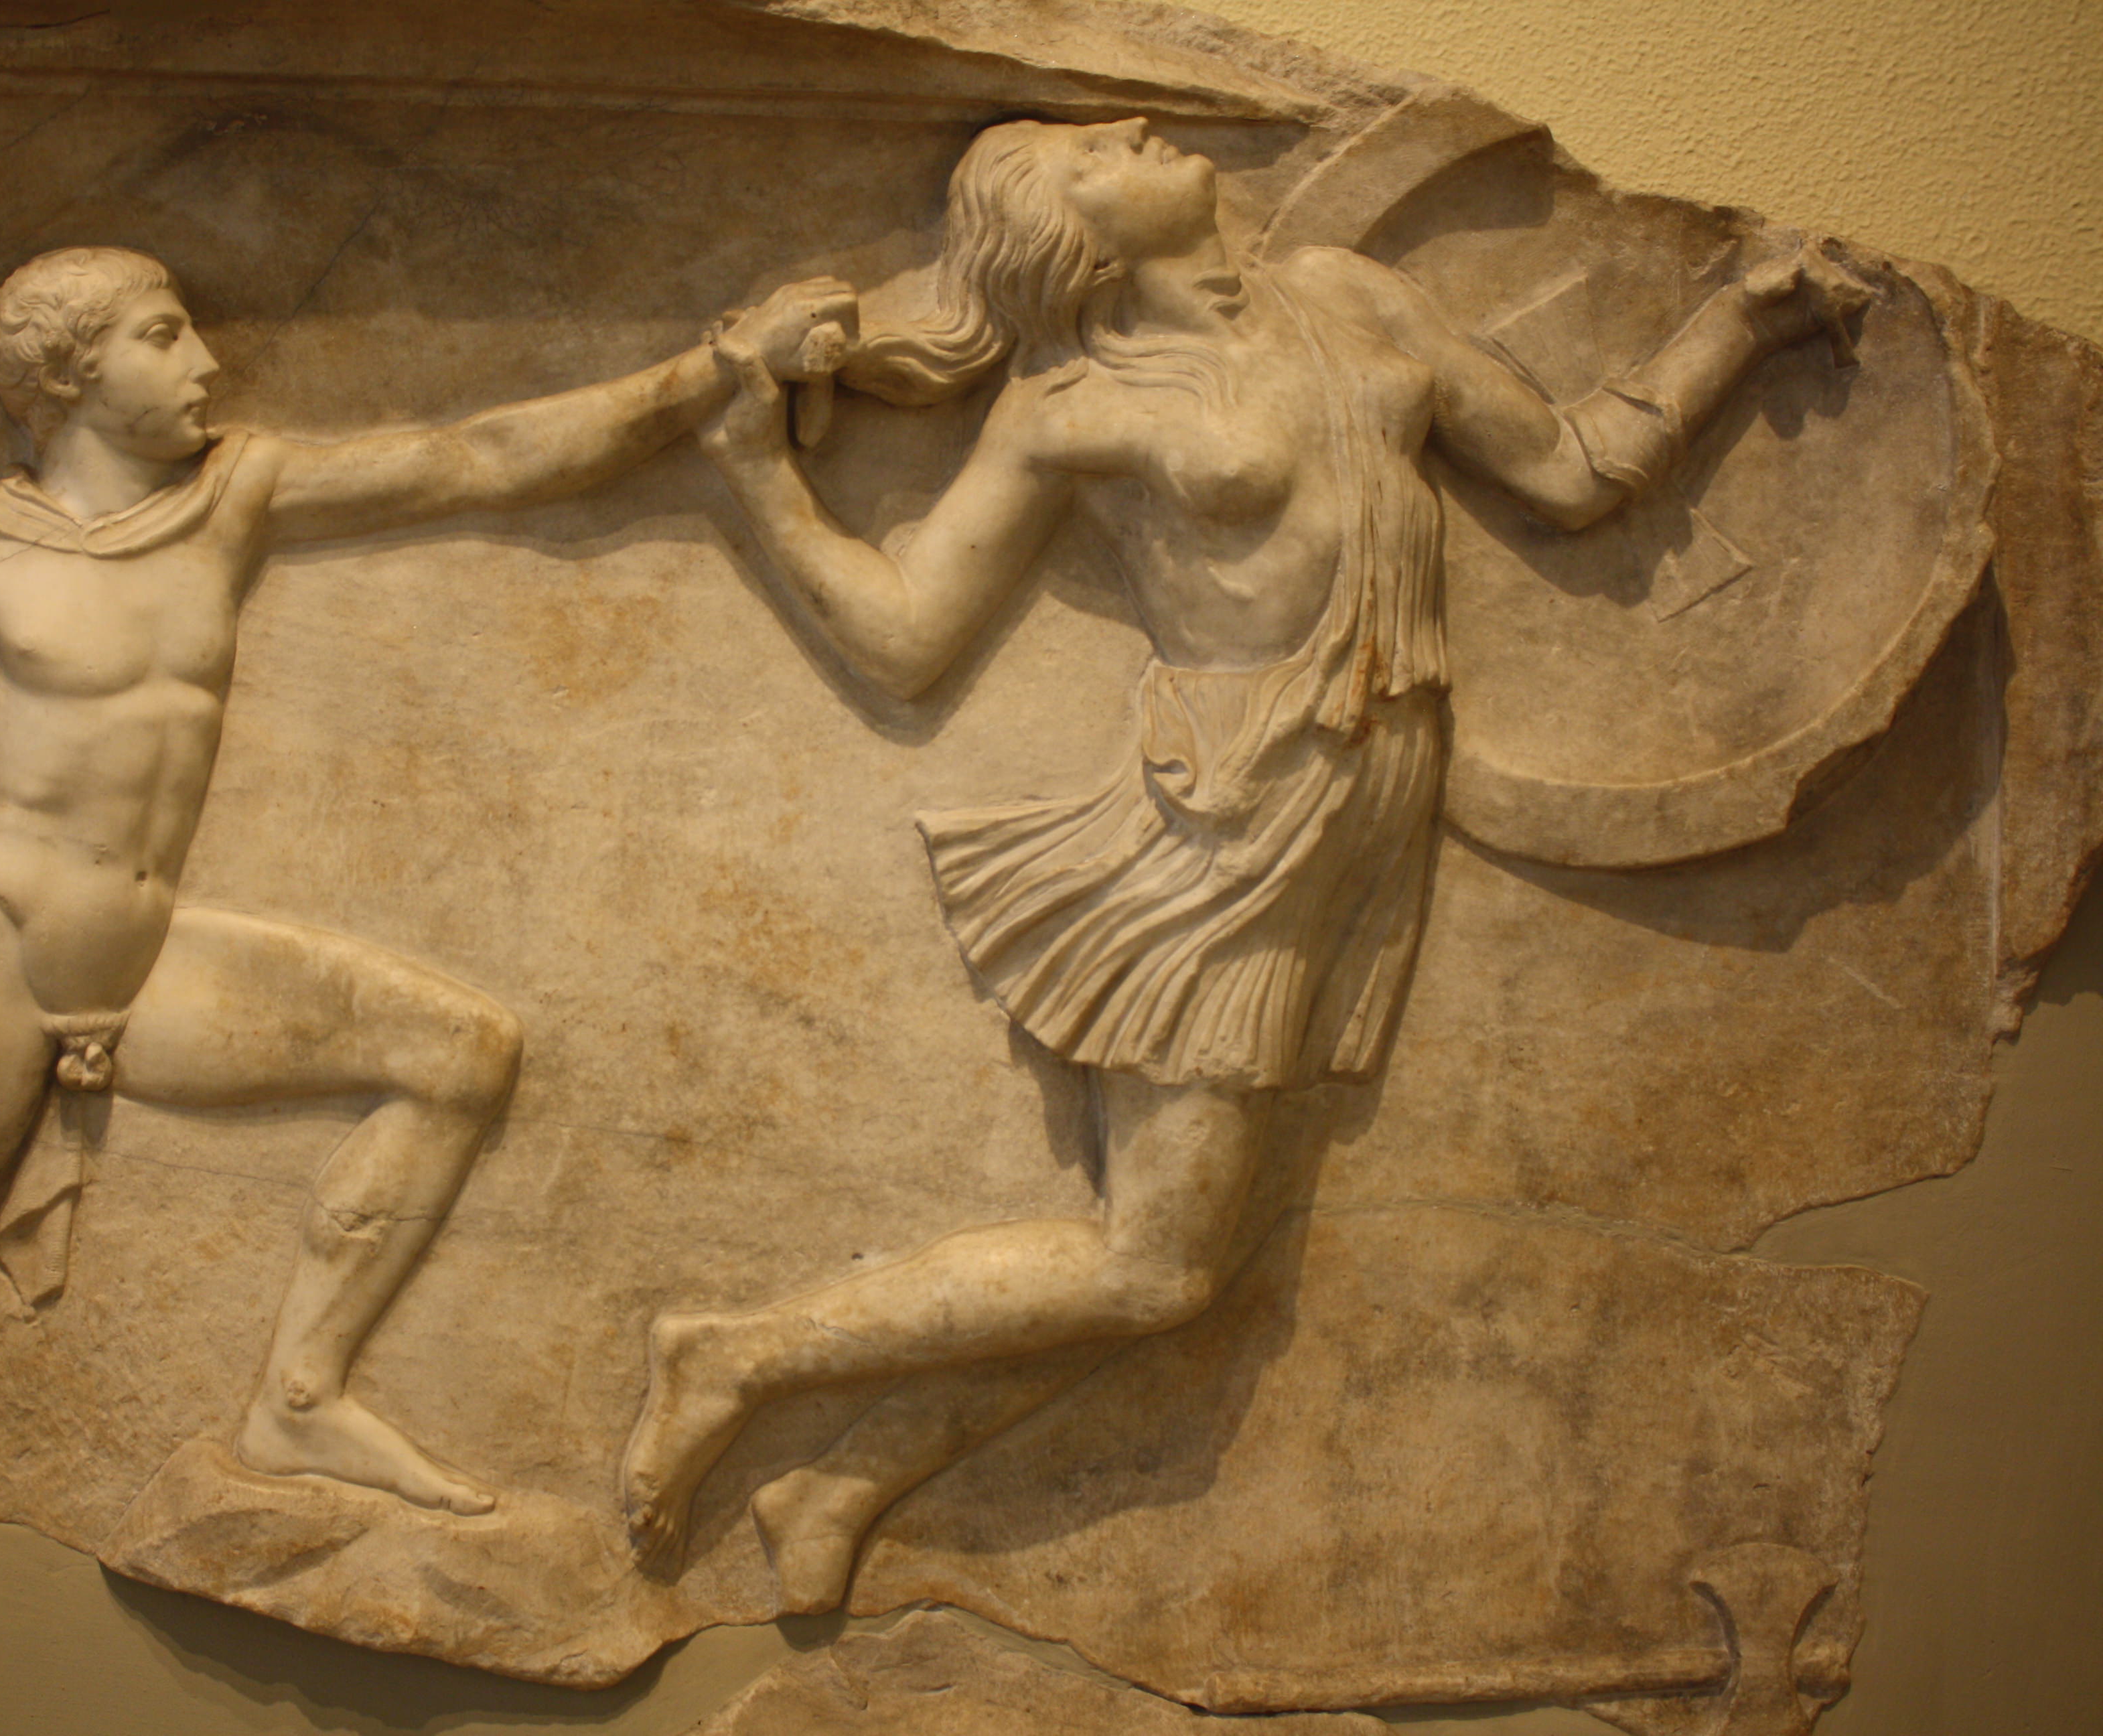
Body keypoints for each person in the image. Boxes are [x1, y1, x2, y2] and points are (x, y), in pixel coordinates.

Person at [620, 116, 1870, 1609]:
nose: (1134, 128)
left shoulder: (1349, 295)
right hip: (1223, 819)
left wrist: (1747, 318)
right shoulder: (1069, 402)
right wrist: (757, 473)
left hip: (1365, 803)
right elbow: (905, 634)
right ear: (1070, 240)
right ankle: (737, 1357)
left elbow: (1579, 468)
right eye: (1093, 150)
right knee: (1158, 1266)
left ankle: (842, 1485)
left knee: (1189, 1246)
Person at [0, 245, 852, 1518]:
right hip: (0, 961)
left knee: (459, 1053)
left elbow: (478, 456)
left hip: (147, 958)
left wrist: (716, 369)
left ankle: (298, 1401)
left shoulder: (229, 496)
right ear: (68, 376)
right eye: (163, 335)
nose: (207, 363)